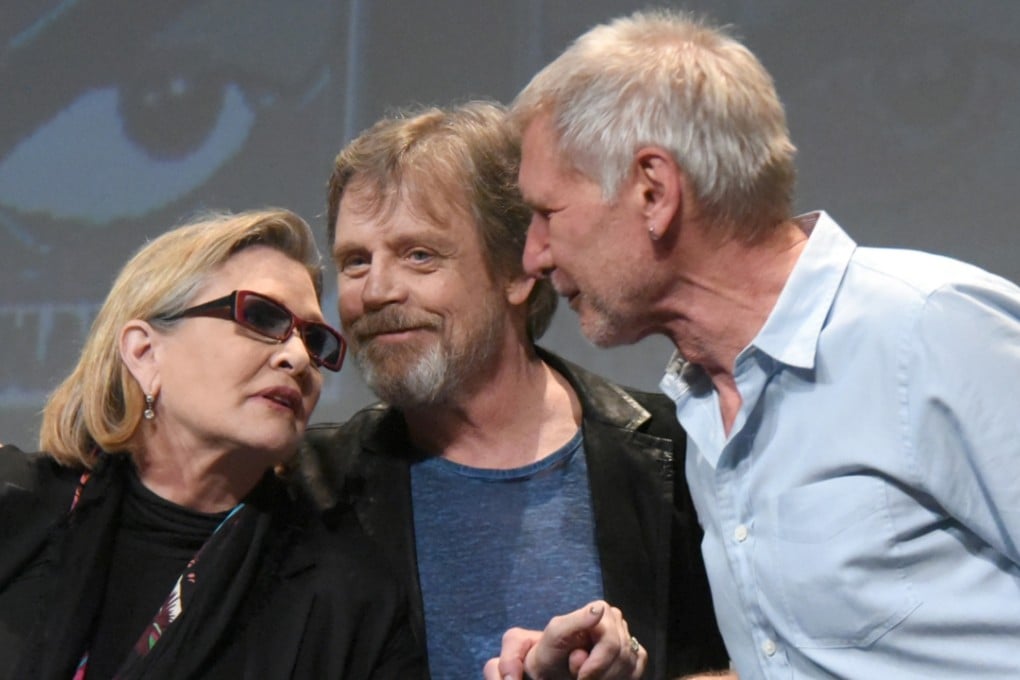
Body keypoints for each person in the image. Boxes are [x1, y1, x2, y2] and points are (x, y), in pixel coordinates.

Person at [511, 8, 1020, 680]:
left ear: (654, 191)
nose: (533, 255)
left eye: (548, 213)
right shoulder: (702, 404)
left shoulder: (930, 330)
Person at [296, 101, 730, 680]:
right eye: (355, 261)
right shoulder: (308, 485)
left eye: (418, 254)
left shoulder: (677, 451)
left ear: (519, 269)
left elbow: (768, 660)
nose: (375, 291)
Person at [0, 209, 424, 679]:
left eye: (317, 341)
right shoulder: (14, 508)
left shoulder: (352, 603)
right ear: (145, 353)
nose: (299, 358)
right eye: (263, 317)